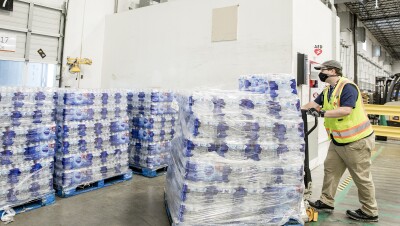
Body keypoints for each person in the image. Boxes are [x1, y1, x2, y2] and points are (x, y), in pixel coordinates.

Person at [302, 60, 378, 222]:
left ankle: (370, 211)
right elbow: (313, 104)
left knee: (361, 176)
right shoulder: (329, 89)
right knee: (331, 170)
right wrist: (294, 111)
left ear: (333, 71)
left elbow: (345, 110)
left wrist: (321, 113)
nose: (320, 73)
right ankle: (326, 201)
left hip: (356, 141)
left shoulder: (347, 87)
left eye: (322, 70)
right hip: (337, 140)